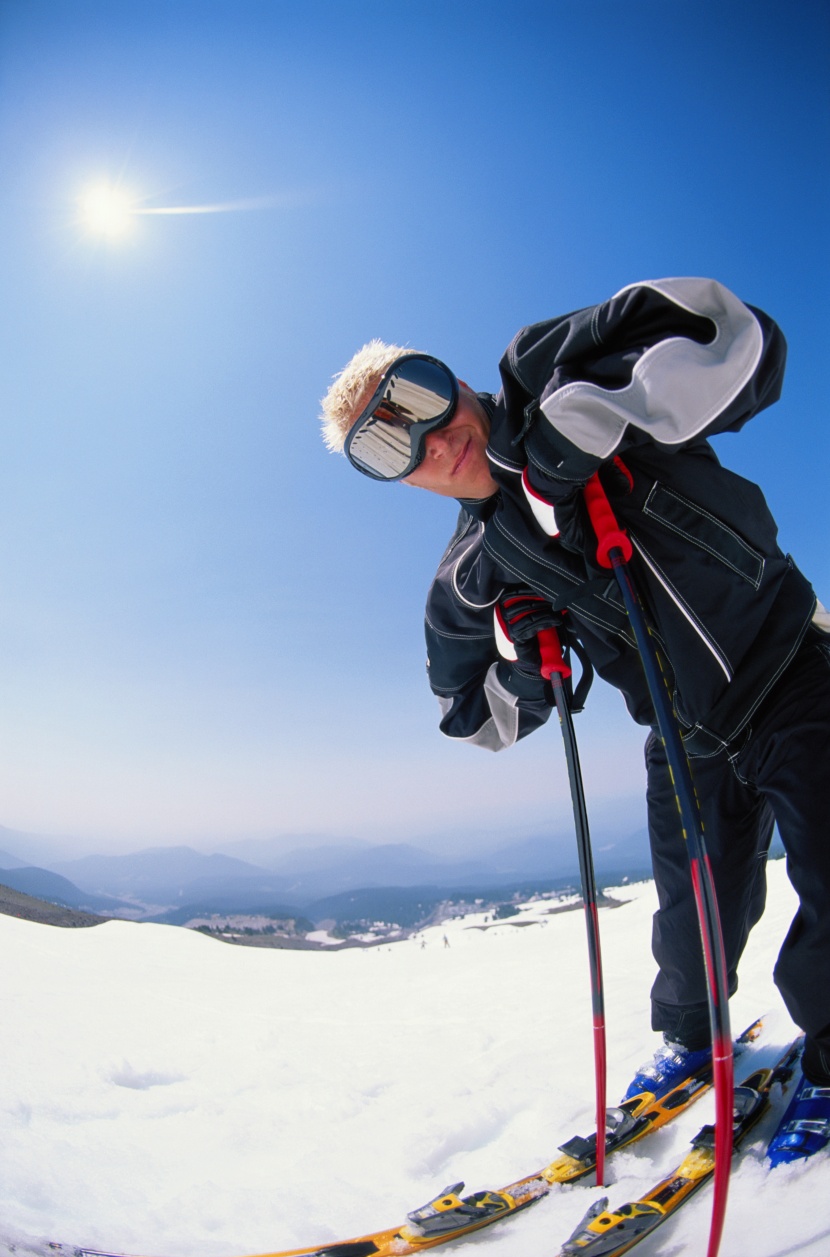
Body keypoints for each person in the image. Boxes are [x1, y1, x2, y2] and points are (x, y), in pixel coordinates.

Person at [319, 278, 830, 1163]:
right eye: (387, 442)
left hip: (791, 667)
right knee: (692, 910)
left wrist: (600, 412)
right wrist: (521, 656)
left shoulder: (550, 371)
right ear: (394, 477)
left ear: (459, 381)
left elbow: (743, 341)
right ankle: (689, 1037)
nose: (433, 437)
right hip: (681, 734)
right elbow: (476, 719)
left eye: (421, 395)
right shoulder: (470, 578)